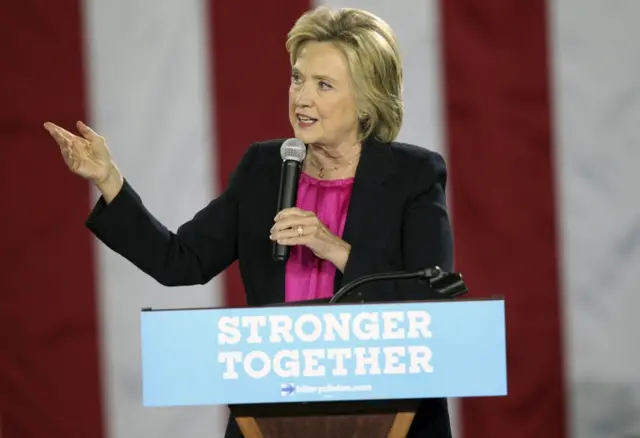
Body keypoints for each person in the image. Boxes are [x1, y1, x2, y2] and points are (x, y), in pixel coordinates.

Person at [44, 6, 454, 438]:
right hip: (276, 417)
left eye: (324, 85)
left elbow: (431, 296)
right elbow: (180, 261)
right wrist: (109, 180)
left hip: (391, 417)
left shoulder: (414, 175)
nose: (302, 98)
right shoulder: (265, 168)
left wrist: (334, 247)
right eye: (298, 78)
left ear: (366, 99)